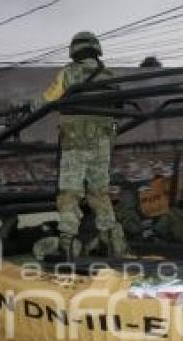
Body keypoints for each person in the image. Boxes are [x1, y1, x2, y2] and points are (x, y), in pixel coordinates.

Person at [35, 31, 126, 259]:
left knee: (69, 194)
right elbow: (118, 108)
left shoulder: (68, 73)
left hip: (76, 143)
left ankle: (67, 245)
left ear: (74, 50)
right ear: (96, 49)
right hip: (102, 144)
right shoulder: (110, 75)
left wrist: (26, 107)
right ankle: (111, 241)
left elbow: (45, 100)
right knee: (99, 193)